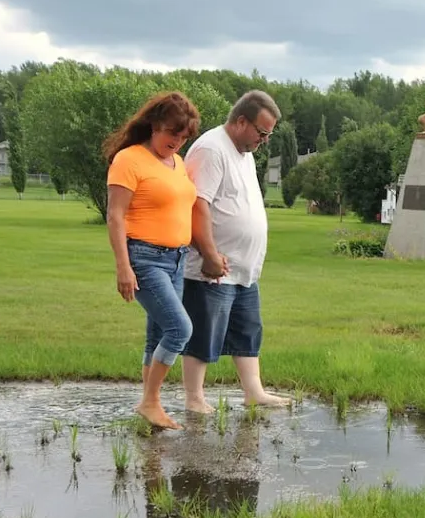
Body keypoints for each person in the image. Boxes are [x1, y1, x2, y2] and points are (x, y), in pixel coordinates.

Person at [181, 90, 290, 413]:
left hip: (243, 269)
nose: (265, 140)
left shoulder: (244, 153)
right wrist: (210, 255)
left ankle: (253, 391)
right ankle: (194, 397)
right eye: (262, 132)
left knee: (248, 330)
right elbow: (196, 205)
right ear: (241, 121)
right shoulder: (211, 149)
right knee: (203, 331)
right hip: (211, 267)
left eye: (268, 134)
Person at [105, 91, 201, 429]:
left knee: (157, 334)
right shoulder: (129, 160)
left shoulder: (177, 163)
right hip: (144, 258)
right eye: (172, 132)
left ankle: (150, 404)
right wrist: (123, 266)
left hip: (176, 259)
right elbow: (115, 216)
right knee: (180, 329)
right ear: (154, 125)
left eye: (184, 135)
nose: (177, 140)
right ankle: (150, 401)